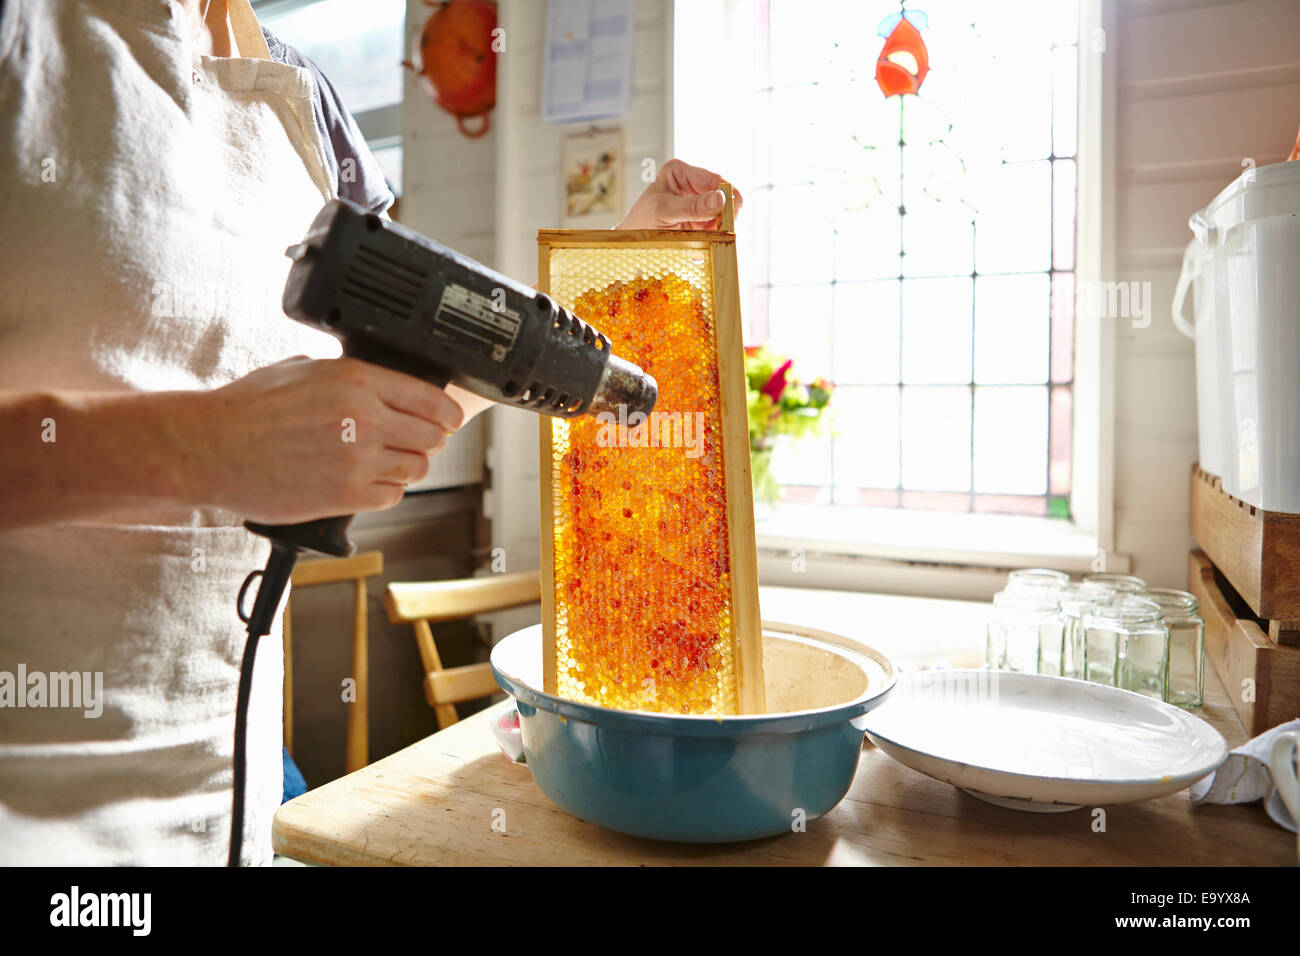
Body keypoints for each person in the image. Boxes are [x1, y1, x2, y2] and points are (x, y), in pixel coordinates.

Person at [0, 0, 740, 865]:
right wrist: (199, 447)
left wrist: (623, 252)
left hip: (230, 812)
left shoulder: (304, 97)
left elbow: (406, 393)